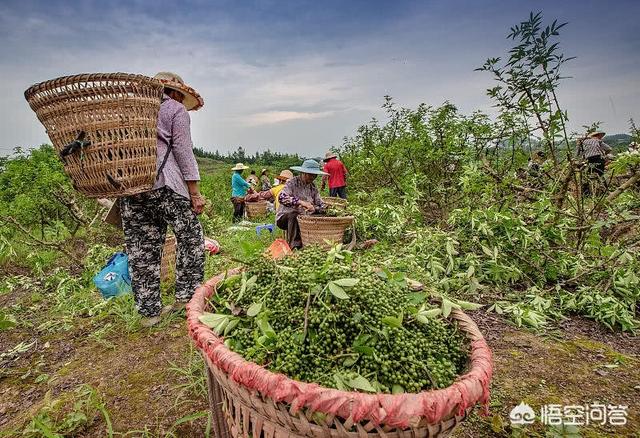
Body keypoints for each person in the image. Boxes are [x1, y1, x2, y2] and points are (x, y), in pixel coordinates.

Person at [120, 71, 206, 327]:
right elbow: (182, 150)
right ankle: (186, 300)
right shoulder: (175, 110)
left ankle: (149, 313)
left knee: (141, 249)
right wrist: (195, 192)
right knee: (191, 238)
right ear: (177, 93)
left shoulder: (132, 111)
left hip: (132, 186)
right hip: (165, 184)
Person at [277, 160, 328, 249]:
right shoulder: (292, 183)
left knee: (322, 213)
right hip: (285, 218)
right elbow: (282, 197)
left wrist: (315, 209)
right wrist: (300, 202)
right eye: (310, 175)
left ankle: (317, 243)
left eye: (315, 175)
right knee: (294, 215)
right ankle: (295, 246)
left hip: (305, 218)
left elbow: (321, 204)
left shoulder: (313, 187)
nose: (313, 177)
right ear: (303, 173)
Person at [577, 131, 612, 195]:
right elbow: (609, 149)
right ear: (597, 136)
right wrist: (604, 155)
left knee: (587, 176)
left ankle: (586, 194)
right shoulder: (598, 141)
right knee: (601, 175)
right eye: (600, 136)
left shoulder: (582, 142)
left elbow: (578, 154)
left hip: (589, 161)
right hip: (599, 159)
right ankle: (605, 192)